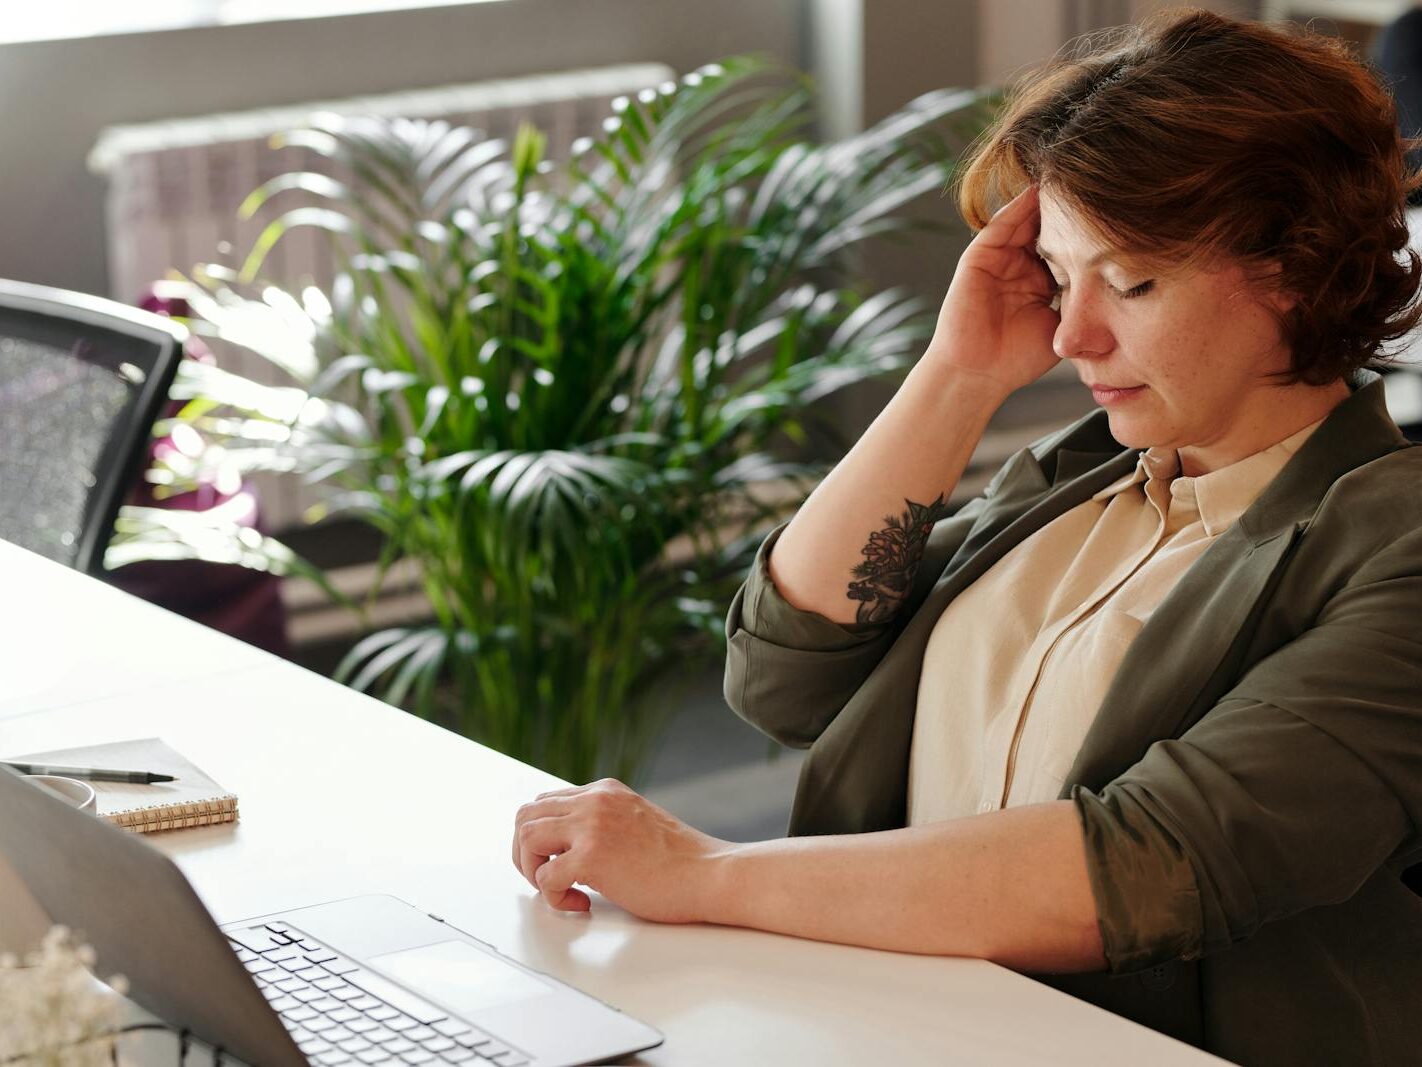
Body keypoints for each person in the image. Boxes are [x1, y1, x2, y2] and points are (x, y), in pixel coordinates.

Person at [511, 9, 1422, 1064]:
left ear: (1298, 268)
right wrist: (956, 375)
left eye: (1130, 281)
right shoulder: (1083, 478)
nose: (1074, 335)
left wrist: (704, 872)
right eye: (1059, 275)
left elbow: (1155, 859)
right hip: (880, 1019)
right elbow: (783, 676)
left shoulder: (1391, 542)